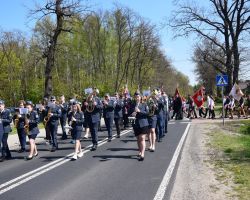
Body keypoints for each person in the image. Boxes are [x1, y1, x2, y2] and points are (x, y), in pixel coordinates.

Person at [129, 92, 149, 161]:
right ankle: (140, 151)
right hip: (136, 124)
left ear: (140, 97)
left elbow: (147, 113)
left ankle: (142, 154)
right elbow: (129, 113)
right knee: (138, 139)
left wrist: (139, 111)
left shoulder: (144, 104)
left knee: (142, 138)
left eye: (138, 97)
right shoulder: (132, 105)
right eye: (136, 97)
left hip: (143, 123)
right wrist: (132, 114)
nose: (137, 98)